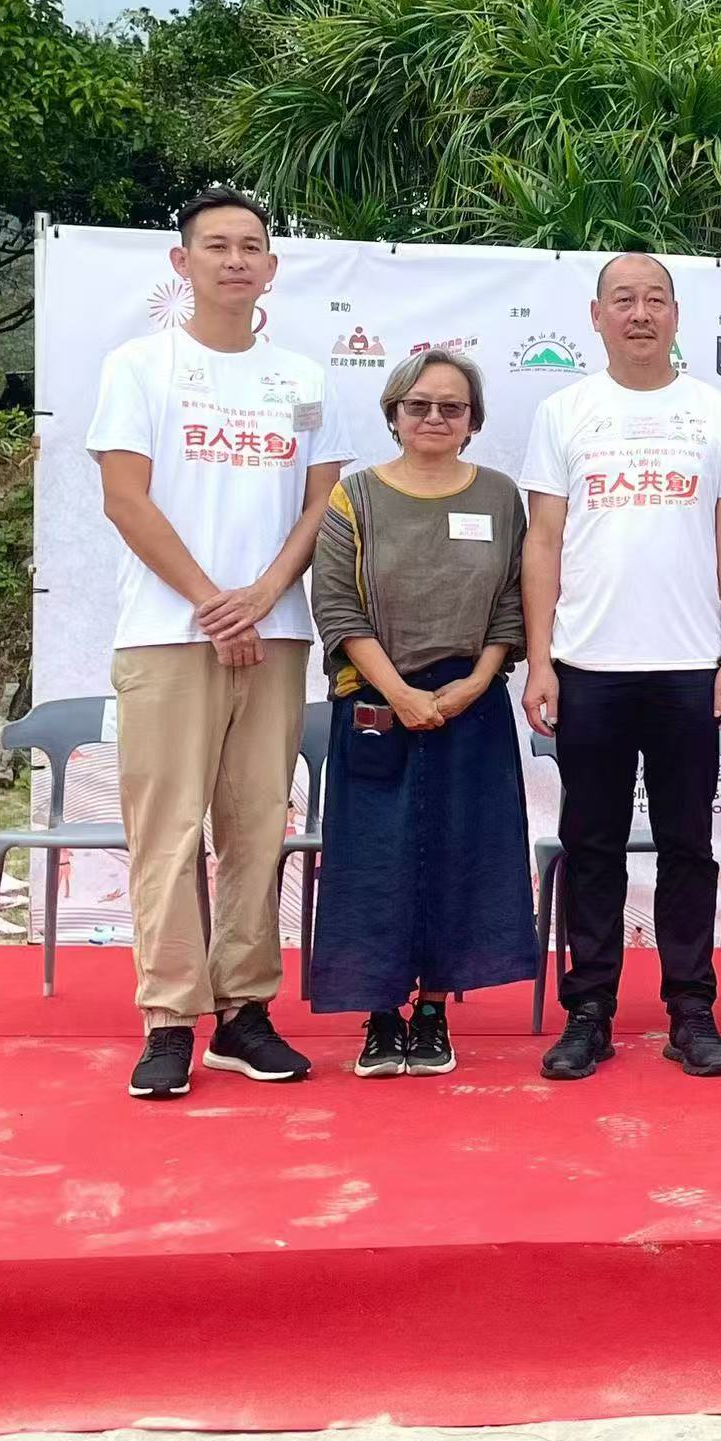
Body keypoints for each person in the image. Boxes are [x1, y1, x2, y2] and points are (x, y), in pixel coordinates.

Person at [87, 186, 349, 1100]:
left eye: (252, 247)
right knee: (167, 834)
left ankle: (244, 1014)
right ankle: (168, 1020)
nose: (235, 260)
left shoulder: (305, 380)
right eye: (217, 246)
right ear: (182, 263)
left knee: (255, 831)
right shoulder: (138, 366)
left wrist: (265, 596)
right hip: (169, 636)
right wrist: (211, 603)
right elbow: (127, 498)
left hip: (276, 636)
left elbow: (322, 505)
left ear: (271, 268)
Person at [523, 253, 721, 1080]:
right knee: (592, 844)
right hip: (588, 665)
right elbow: (543, 540)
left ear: (677, 314)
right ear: (596, 317)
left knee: (689, 846)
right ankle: (588, 1010)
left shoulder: (715, 414)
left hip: (691, 666)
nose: (640, 313)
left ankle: (692, 1009)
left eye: (655, 299)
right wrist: (541, 659)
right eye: (623, 300)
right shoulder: (564, 412)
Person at [307, 351, 538, 1076]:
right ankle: (379, 1016)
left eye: (452, 407)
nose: (435, 417)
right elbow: (336, 604)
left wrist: (475, 683)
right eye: (419, 405)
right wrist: (398, 694)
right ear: (393, 414)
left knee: (464, 856)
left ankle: (435, 1011)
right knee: (373, 860)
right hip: (376, 700)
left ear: (473, 421)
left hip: (472, 701)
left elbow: (514, 602)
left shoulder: (501, 497)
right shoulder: (355, 497)